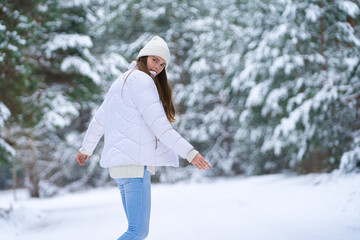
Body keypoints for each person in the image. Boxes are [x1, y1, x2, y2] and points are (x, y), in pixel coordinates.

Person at [76, 35, 211, 240]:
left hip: (121, 168)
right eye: (155, 60)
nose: (158, 66)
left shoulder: (121, 80)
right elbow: (161, 128)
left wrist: (86, 148)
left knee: (134, 229)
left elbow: (99, 120)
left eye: (163, 64)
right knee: (137, 231)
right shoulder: (142, 81)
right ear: (144, 57)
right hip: (134, 167)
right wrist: (190, 153)